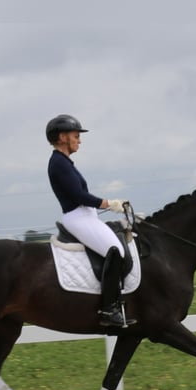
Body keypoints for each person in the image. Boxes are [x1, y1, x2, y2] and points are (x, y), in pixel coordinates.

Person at [46, 114, 135, 328]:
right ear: (62, 137)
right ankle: (108, 310)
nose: (80, 140)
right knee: (115, 250)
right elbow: (79, 196)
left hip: (85, 215)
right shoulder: (58, 163)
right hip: (77, 216)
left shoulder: (65, 162)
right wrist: (109, 203)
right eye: (76, 136)